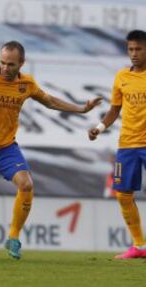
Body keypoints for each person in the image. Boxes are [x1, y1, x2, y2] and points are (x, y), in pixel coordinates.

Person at [0, 41, 102, 259]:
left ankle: (14, 238)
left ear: (21, 63)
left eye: (11, 64)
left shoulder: (27, 83)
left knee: (26, 183)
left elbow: (50, 101)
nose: (5, 68)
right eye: (2, 63)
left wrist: (82, 109)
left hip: (5, 147)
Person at [88, 30, 146, 259]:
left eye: (139, 49)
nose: (134, 54)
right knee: (122, 194)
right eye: (130, 49)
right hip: (128, 145)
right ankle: (139, 246)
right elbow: (114, 110)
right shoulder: (122, 76)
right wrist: (99, 128)